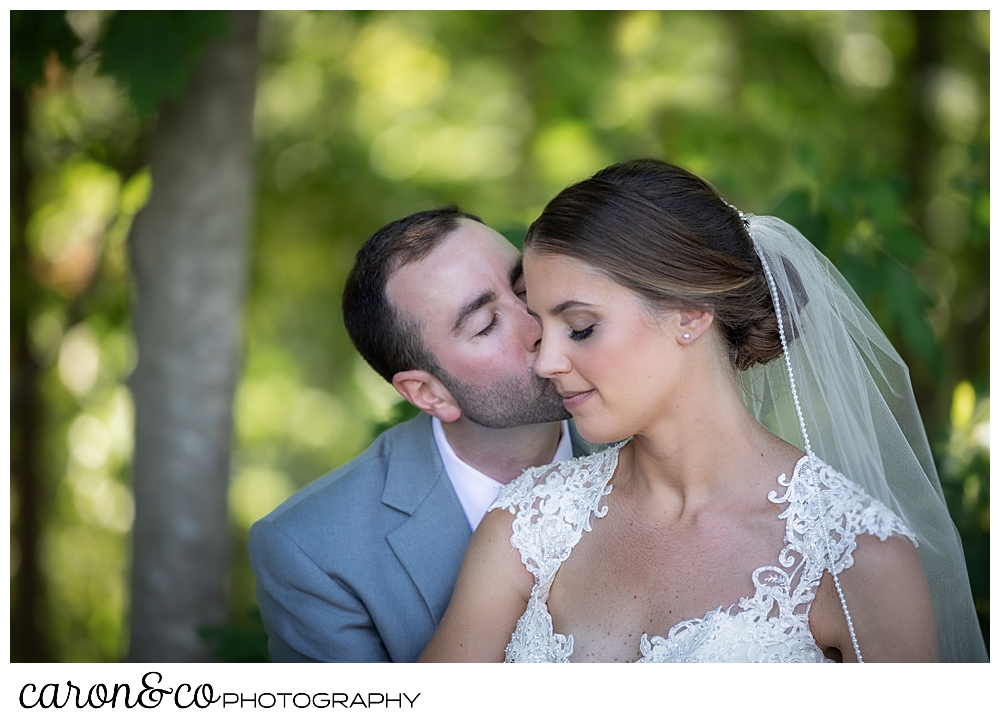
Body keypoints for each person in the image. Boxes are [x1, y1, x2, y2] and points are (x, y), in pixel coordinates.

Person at [420, 160, 988, 663]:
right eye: (541, 329)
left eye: (581, 327)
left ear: (690, 314)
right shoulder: (528, 525)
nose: (545, 360)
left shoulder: (855, 557)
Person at [248, 207, 595, 662]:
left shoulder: (656, 443)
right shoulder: (312, 551)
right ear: (429, 394)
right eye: (485, 324)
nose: (538, 325)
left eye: (526, 288)